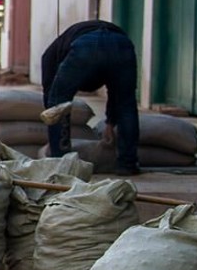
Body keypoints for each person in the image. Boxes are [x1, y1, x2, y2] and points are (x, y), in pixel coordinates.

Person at [40, 20, 140, 176]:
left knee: (58, 103)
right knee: (126, 104)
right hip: (121, 44)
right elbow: (117, 94)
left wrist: (53, 128)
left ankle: (61, 160)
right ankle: (127, 163)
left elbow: (53, 101)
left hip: (86, 45)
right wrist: (111, 122)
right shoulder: (62, 45)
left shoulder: (50, 56)